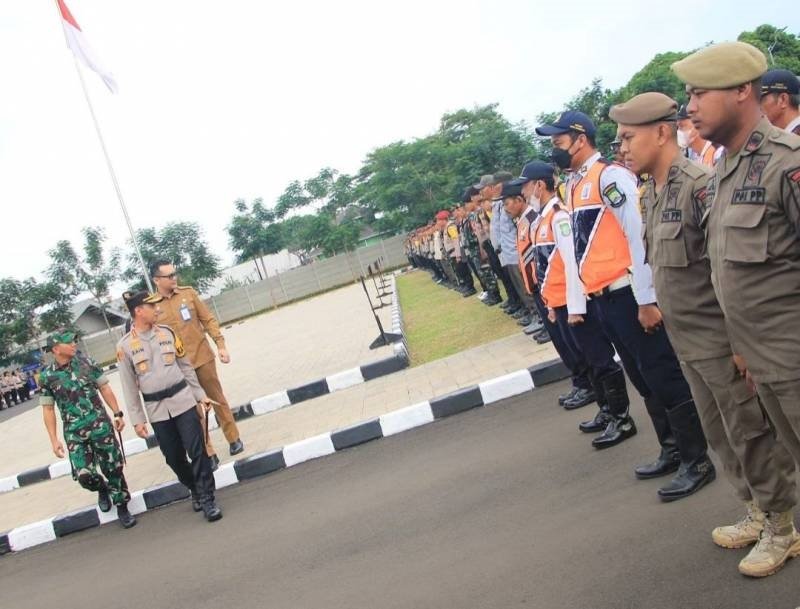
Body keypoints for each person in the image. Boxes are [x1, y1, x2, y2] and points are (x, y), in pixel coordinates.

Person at [611, 90, 798, 576]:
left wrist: (738, 344)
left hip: (722, 340)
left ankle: (781, 526)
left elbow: (723, 267)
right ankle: (756, 509)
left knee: (751, 432)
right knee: (721, 434)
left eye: (629, 137)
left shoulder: (699, 185)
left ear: (661, 131)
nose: (623, 148)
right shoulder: (651, 191)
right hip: (688, 341)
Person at [536, 111, 715, 499]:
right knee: (641, 377)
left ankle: (696, 459)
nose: (555, 150)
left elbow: (638, 235)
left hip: (626, 293)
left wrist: (646, 297)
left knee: (661, 372)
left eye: (558, 141)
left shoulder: (609, 176)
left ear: (580, 139)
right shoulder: (577, 182)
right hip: (604, 298)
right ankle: (671, 449)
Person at [673, 40, 800, 577]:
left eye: (701, 92)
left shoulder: (785, 165)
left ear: (743, 91)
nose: (692, 107)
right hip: (765, 364)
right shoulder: (725, 172)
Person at [117, 290, 222, 522]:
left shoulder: (168, 333)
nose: (157, 309)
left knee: (197, 451)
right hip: (157, 409)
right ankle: (194, 487)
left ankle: (207, 498)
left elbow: (185, 367)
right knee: (173, 457)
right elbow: (129, 387)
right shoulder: (124, 347)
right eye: (152, 306)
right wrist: (137, 419)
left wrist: (200, 395)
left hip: (183, 400)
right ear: (138, 311)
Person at [39, 330, 136, 529]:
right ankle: (101, 488)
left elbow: (105, 388)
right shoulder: (47, 376)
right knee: (84, 475)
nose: (74, 345)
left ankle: (122, 506)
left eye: (74, 341)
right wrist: (53, 440)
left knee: (113, 468)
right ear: (56, 349)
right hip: (74, 432)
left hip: (100, 425)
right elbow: (48, 409)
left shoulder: (87, 363)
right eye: (69, 343)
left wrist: (117, 413)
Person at [150, 260, 244, 461]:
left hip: (202, 357)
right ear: (156, 280)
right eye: (170, 276)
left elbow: (207, 319)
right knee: (194, 411)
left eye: (175, 274)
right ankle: (208, 451)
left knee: (217, 398)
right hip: (178, 368)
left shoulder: (188, 294)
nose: (175, 278)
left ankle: (233, 438)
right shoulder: (152, 307)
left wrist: (220, 345)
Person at [760, 68, 800, 135]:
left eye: (760, 100)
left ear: (783, 100)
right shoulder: (787, 135)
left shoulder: (795, 138)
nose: (756, 106)